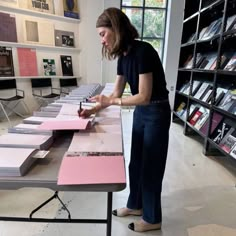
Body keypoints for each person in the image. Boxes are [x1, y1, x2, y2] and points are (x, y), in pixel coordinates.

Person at [78, 7, 171, 233]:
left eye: (102, 33)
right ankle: (135, 205)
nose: (102, 40)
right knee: (136, 162)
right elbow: (116, 94)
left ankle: (152, 219)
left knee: (151, 167)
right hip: (142, 113)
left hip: (156, 112)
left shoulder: (144, 52)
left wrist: (111, 103)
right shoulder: (124, 56)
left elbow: (144, 95)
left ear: (116, 29)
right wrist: (94, 110)